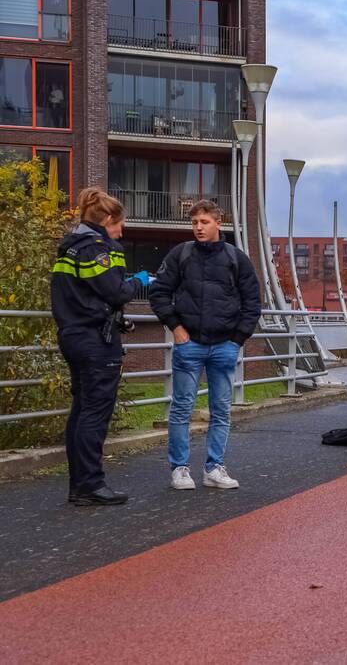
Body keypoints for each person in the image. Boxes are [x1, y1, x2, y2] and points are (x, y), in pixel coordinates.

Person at [149, 200, 260, 490]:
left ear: (218, 223)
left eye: (204, 222)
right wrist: (176, 327)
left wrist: (238, 339)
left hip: (224, 345)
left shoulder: (236, 259)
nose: (198, 227)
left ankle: (214, 469)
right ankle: (180, 469)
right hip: (190, 344)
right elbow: (159, 292)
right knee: (182, 408)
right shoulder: (180, 255)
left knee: (221, 410)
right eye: (195, 222)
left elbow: (252, 303)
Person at [51, 188, 150, 505]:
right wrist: (141, 281)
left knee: (81, 411)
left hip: (72, 335)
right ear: (107, 219)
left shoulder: (70, 247)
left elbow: (84, 294)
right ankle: (90, 485)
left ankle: (79, 485)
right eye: (120, 224)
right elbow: (116, 292)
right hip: (95, 340)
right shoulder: (97, 249)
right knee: (94, 413)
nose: (122, 231)